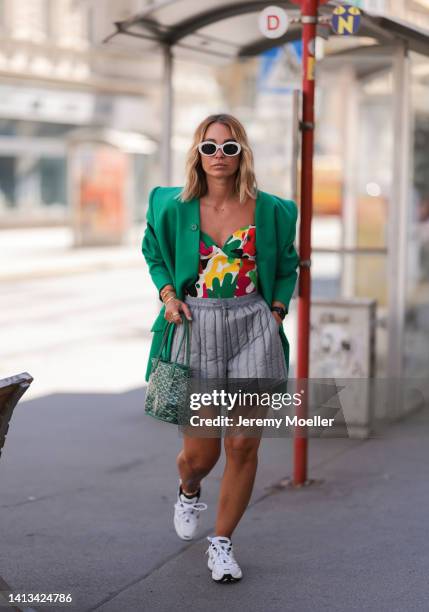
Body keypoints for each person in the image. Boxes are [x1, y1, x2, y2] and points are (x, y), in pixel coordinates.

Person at [142, 113, 299, 583]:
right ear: (197, 153)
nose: (218, 157)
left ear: (242, 155)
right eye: (209, 147)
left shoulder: (271, 209)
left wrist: (275, 310)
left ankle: (223, 543)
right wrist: (169, 296)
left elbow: (288, 264)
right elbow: (152, 251)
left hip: (253, 325)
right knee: (201, 455)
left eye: (229, 148)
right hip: (198, 327)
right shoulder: (171, 205)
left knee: (244, 444)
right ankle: (189, 490)